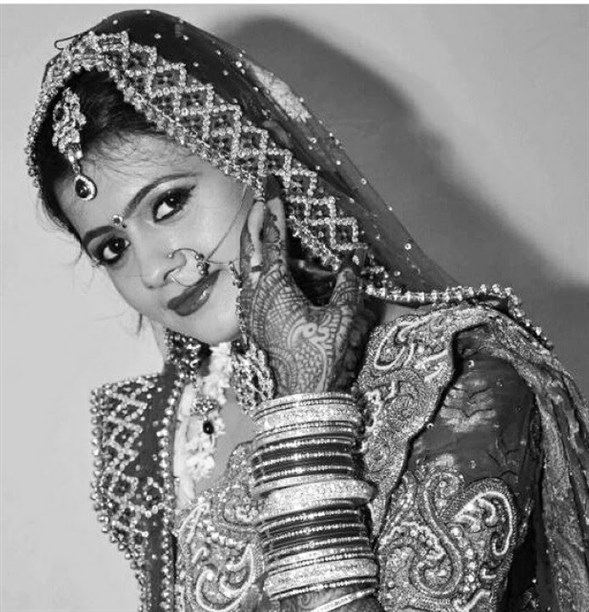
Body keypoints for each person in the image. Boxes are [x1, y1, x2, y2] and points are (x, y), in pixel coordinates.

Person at [26, 9, 588, 612]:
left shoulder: (462, 378)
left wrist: (306, 412)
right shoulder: (165, 426)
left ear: (251, 156)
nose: (152, 269)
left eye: (168, 205)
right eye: (112, 248)